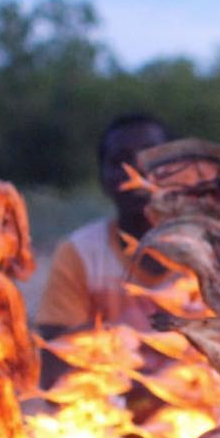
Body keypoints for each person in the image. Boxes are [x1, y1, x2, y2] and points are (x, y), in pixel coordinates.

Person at [36, 112, 174, 388]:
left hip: (199, 402)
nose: (135, 173)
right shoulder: (79, 252)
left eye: (151, 159)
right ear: (103, 179)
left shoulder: (216, 253)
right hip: (109, 403)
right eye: (120, 161)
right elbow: (53, 370)